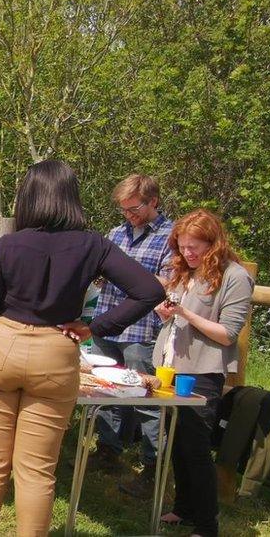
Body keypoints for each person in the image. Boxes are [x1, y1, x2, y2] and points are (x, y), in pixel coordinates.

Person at [0, 160, 165, 536]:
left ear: (28, 197)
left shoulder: (10, 243)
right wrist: (94, 327)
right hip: (56, 352)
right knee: (36, 471)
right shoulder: (93, 243)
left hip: (1, 348)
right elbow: (150, 291)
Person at [154, 209, 253, 537]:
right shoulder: (183, 270)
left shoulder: (235, 277)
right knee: (177, 444)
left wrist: (185, 313)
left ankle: (208, 525)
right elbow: (176, 318)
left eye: (195, 246)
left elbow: (227, 334)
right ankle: (183, 509)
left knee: (196, 447)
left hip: (203, 372)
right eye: (182, 246)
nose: (188, 252)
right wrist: (165, 313)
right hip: (170, 366)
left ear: (214, 243)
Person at [90, 174, 174, 494]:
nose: (129, 215)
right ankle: (108, 451)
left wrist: (129, 279)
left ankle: (154, 468)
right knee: (106, 391)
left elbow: (167, 282)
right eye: (124, 210)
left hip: (141, 330)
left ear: (153, 201)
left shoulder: (171, 235)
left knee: (146, 400)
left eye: (134, 208)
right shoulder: (115, 233)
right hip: (107, 322)